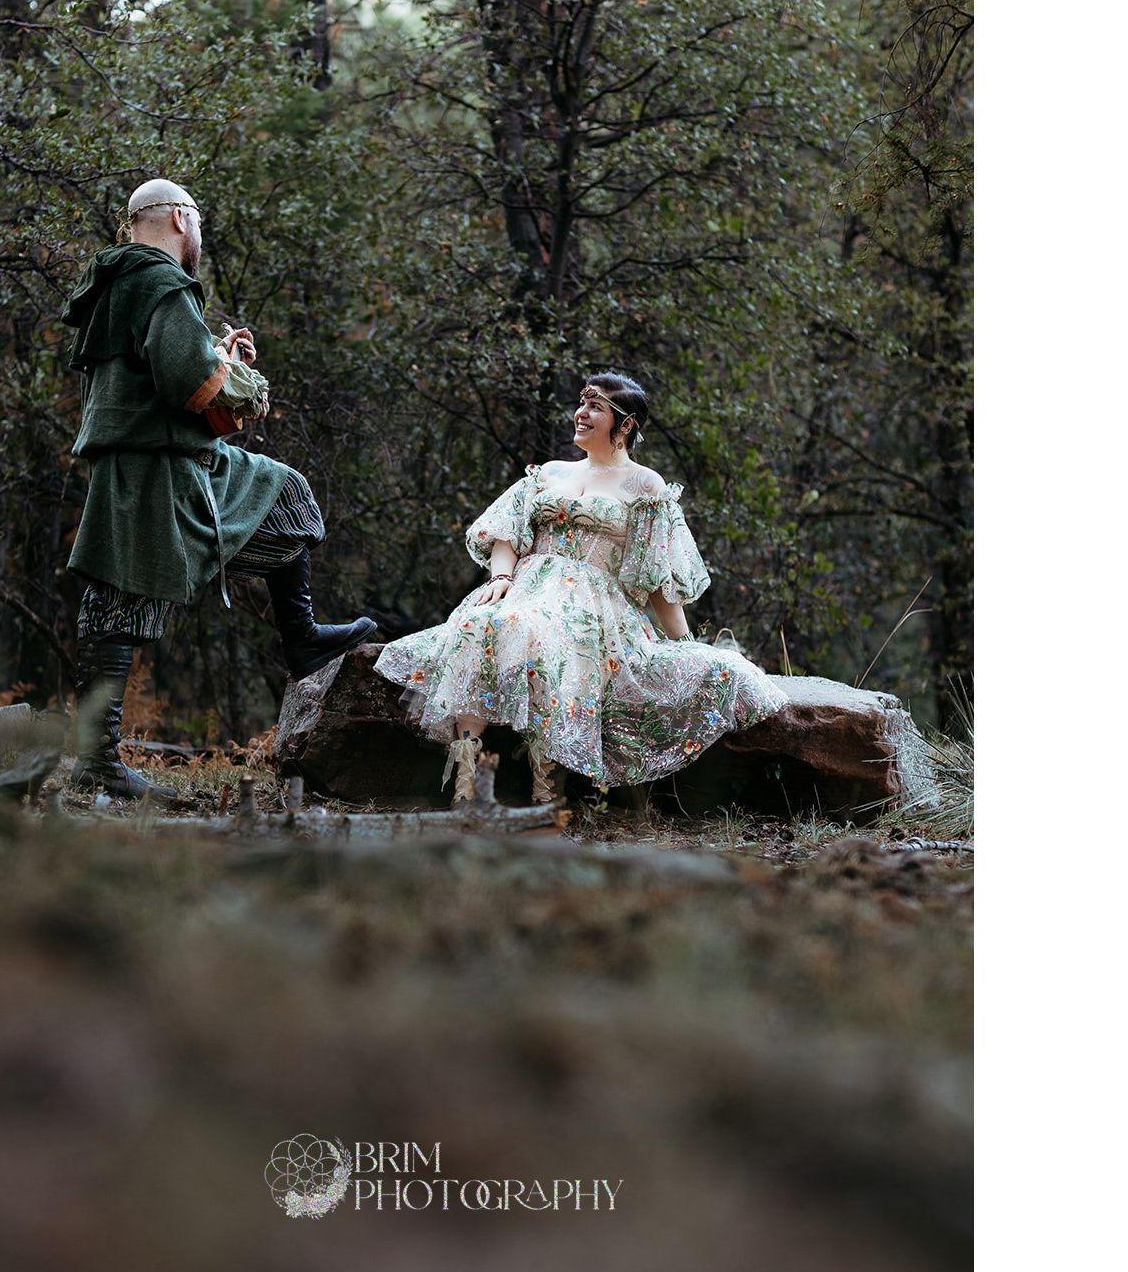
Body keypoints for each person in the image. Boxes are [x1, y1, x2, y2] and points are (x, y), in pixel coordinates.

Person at [63, 178, 376, 801]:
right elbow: (190, 383)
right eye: (198, 222)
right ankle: (97, 761)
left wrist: (216, 354)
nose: (199, 235)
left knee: (278, 494)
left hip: (139, 462)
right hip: (160, 468)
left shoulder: (113, 281)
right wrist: (232, 373)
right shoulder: (161, 280)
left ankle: (302, 639)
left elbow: (157, 371)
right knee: (121, 602)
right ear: (181, 220)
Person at [375, 373, 788, 805]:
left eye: (596, 407)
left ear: (625, 424)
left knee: (549, 637)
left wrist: (683, 643)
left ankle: (545, 789)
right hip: (527, 588)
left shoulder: (645, 485)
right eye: (582, 403)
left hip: (593, 603)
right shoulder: (550, 472)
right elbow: (506, 533)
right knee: (483, 624)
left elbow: (657, 574)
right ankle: (466, 786)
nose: (581, 413)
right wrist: (500, 578)